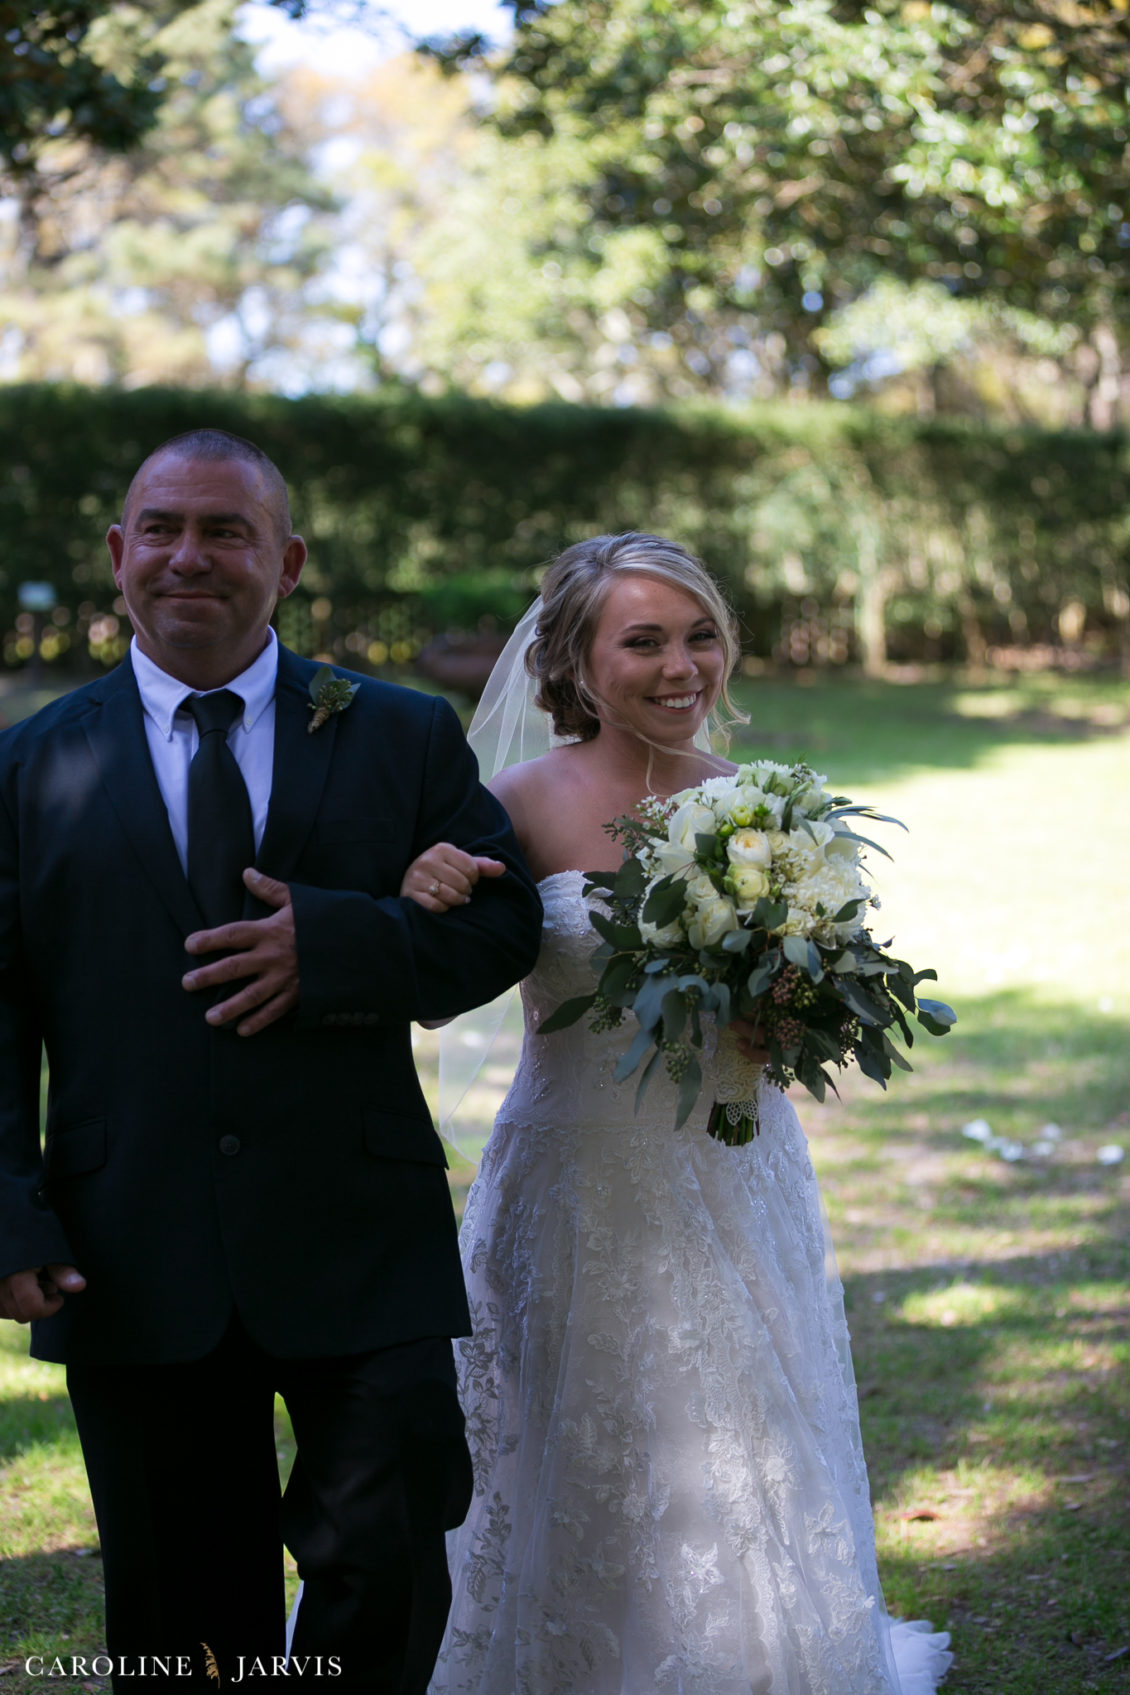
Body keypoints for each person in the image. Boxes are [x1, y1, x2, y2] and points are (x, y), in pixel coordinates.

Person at [0, 430, 543, 1693]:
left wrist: (340, 945)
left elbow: (505, 923)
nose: (188, 556)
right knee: (179, 1601)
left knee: (388, 1555)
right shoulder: (27, 765)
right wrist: (9, 1210)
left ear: (286, 563)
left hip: (360, 1233)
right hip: (129, 1242)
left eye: (226, 531)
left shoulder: (399, 733)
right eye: (162, 529)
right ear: (118, 553)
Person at [398, 533, 953, 1694]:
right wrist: (423, 888)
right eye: (642, 640)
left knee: (739, 1430)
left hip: (732, 1173)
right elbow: (438, 982)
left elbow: (805, 1019)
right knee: (559, 1437)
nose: (679, 665)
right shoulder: (510, 804)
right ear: (573, 661)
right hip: (568, 1180)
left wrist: (787, 1013)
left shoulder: (766, 810)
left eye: (699, 636)